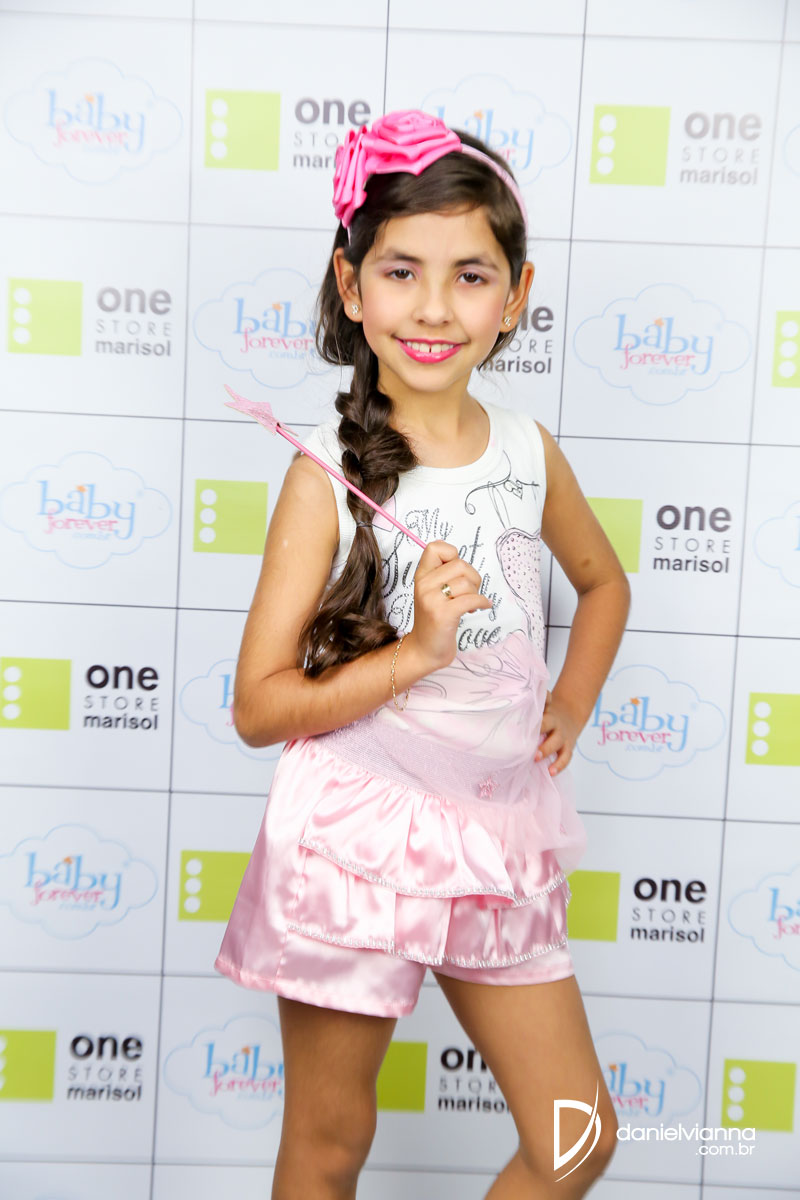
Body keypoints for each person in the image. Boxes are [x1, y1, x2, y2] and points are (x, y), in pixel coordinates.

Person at [215, 109, 630, 1199]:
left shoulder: (529, 451)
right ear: (351, 287)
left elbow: (603, 584)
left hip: (497, 832)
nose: (436, 308)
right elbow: (258, 708)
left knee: (576, 1138)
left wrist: (572, 700)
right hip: (357, 838)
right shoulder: (323, 476)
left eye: (470, 276)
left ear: (516, 293)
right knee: (328, 1147)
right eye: (402, 272)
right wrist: (416, 652)